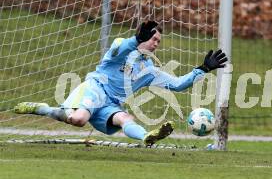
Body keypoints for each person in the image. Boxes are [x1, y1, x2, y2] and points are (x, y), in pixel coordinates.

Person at [14, 21, 227, 146]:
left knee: (125, 117)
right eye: (153, 39)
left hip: (111, 104)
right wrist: (135, 40)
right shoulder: (120, 47)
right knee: (78, 119)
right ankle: (42, 109)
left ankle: (147, 137)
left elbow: (179, 85)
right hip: (95, 89)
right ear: (142, 37)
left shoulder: (149, 71)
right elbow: (119, 49)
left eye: (158, 42)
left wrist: (204, 69)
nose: (156, 44)